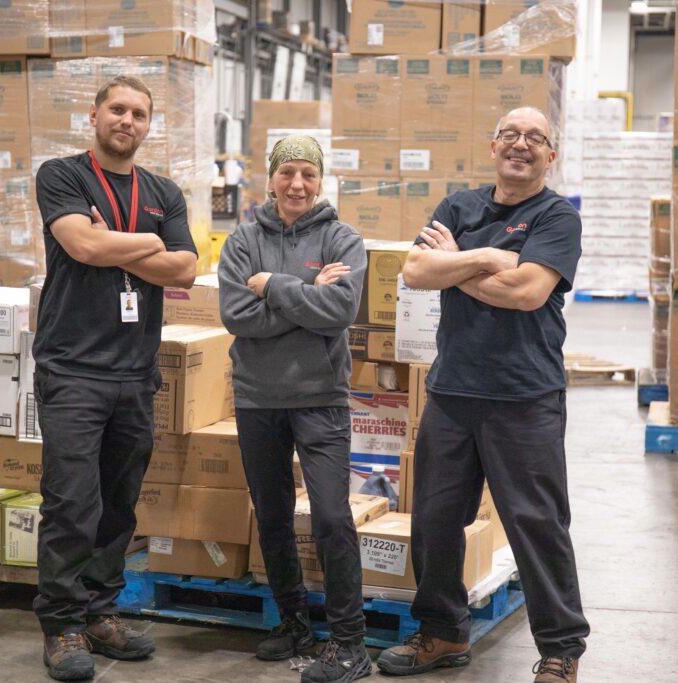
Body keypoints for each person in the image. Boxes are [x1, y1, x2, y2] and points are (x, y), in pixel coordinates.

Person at [375, 107, 589, 683]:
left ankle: (561, 651)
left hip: (524, 395)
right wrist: (491, 256)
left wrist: (456, 262)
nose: (521, 145)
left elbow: (526, 293)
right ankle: (442, 633)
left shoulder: (556, 217)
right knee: (435, 519)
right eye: (511, 135)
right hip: (452, 392)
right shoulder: (458, 207)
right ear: (493, 144)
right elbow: (416, 272)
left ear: (551, 155)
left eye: (535, 138)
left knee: (536, 523)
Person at [32, 75, 197, 681]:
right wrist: (145, 242)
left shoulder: (163, 190)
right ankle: (62, 624)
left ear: (149, 125)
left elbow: (184, 267)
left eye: (139, 114)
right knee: (71, 502)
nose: (128, 121)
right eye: (118, 110)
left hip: (134, 373)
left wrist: (118, 241)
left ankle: (100, 611)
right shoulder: (63, 174)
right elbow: (80, 247)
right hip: (72, 367)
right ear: (95, 116)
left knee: (118, 504)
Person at [218, 134, 371, 683]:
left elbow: (341, 310)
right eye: (288, 173)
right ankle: (294, 624)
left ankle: (350, 644)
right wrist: (306, 290)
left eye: (308, 173)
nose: (297, 184)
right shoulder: (242, 241)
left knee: (332, 516)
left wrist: (274, 286)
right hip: (258, 398)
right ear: (272, 178)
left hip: (320, 399)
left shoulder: (343, 239)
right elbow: (237, 314)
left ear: (321, 179)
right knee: (273, 515)